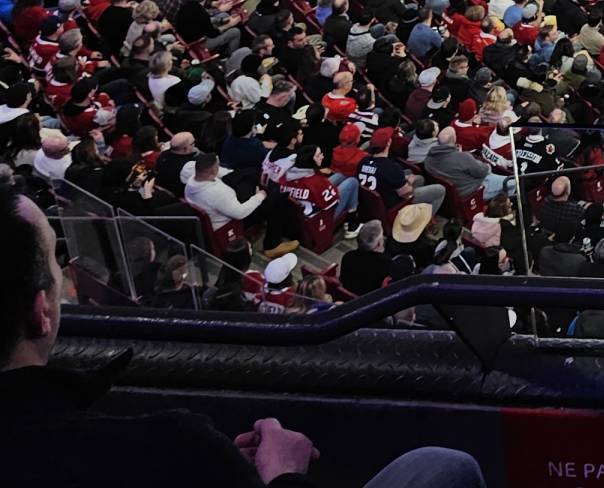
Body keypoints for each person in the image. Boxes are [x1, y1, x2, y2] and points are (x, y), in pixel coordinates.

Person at [4, 189, 485, 488]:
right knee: (446, 466)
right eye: (56, 262)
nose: (67, 272)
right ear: (42, 312)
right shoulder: (167, 443)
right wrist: (285, 476)